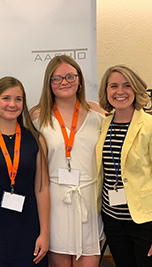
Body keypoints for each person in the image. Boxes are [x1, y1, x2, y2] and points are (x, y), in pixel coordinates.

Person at [30, 55, 105, 267]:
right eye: (57, 78)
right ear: (49, 83)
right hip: (54, 201)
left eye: (70, 76)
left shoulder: (98, 113)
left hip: (89, 200)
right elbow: (15, 150)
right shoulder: (37, 117)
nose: (65, 82)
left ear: (79, 79)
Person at [0, 76, 50, 266]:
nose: (12, 104)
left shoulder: (36, 140)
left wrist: (44, 234)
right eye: (6, 98)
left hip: (28, 227)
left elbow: (42, 189)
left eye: (18, 99)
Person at [96, 64, 152, 267]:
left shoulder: (148, 125)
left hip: (144, 221)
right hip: (112, 220)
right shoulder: (104, 124)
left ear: (136, 89)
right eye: (113, 86)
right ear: (106, 91)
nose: (120, 92)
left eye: (126, 85)